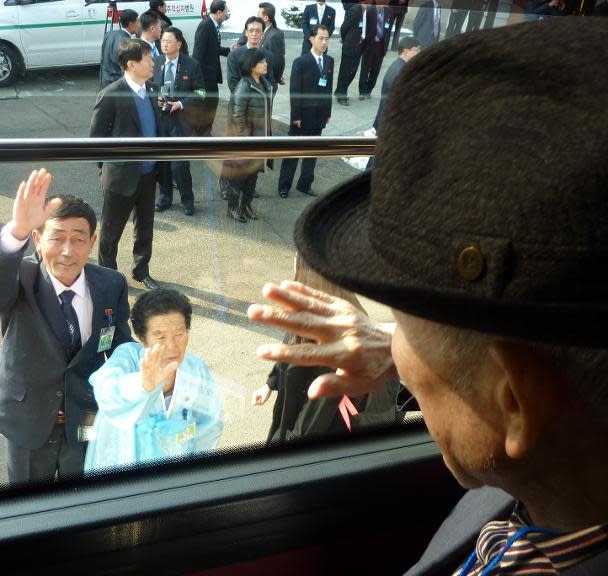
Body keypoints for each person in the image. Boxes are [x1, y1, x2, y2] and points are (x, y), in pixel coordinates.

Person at [249, 18, 608, 575]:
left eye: (404, 320)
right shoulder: (555, 488)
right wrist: (412, 348)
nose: (394, 348)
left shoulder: (503, 497)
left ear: (512, 401)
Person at [0, 168, 132, 484]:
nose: (67, 251)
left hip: (85, 417)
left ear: (93, 242)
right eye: (57, 237)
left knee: (82, 501)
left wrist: (148, 368)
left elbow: (119, 344)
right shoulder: (22, 279)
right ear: (37, 239)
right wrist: (16, 229)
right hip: (28, 422)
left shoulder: (111, 284)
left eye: (78, 239)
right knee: (30, 510)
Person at [251, 255, 404, 443]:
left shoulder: (332, 344)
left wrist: (278, 447)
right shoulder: (318, 315)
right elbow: (289, 347)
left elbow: (310, 426)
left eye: (298, 258)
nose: (294, 259)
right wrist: (270, 384)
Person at [84, 289, 222, 471]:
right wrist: (142, 384)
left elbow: (209, 425)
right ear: (142, 339)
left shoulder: (195, 368)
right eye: (161, 336)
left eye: (179, 333)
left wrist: (194, 467)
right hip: (123, 463)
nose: (172, 346)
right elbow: (105, 387)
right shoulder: (129, 357)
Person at [89, 39, 164, 291]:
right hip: (121, 178)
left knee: (145, 226)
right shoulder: (111, 94)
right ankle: (107, 277)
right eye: (148, 59)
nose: (153, 62)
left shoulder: (153, 89)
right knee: (111, 232)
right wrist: (109, 170)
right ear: (131, 64)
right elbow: (95, 141)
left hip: (149, 174)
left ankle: (141, 270)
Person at [153, 27, 205, 216]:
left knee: (180, 165)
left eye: (168, 41)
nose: (164, 44)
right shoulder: (156, 62)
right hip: (160, 120)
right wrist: (155, 99)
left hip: (181, 120)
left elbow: (201, 92)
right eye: (162, 40)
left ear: (179, 44)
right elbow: (149, 88)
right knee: (163, 164)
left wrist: (181, 103)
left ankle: (187, 200)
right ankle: (165, 197)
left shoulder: (191, 65)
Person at [278, 26, 333, 199]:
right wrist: (296, 116)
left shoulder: (329, 61)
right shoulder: (301, 62)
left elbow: (328, 88)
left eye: (327, 39)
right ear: (311, 39)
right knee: (293, 153)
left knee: (312, 153)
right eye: (321, 38)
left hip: (319, 117)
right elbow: (295, 92)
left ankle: (305, 184)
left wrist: (328, 112)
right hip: (302, 117)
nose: (324, 42)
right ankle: (284, 186)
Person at [222, 48, 273, 223]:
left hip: (261, 138)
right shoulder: (245, 85)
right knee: (239, 177)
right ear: (252, 66)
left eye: (265, 61)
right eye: (262, 62)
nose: (266, 64)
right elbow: (238, 116)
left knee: (253, 176)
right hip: (248, 141)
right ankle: (233, 208)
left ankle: (246, 206)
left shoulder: (264, 83)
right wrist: (245, 139)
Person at [192, 0, 230, 137]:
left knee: (211, 105)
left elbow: (213, 48)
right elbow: (198, 55)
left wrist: (228, 50)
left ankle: (205, 132)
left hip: (211, 77)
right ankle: (202, 135)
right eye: (226, 11)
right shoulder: (205, 26)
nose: (226, 14)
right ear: (219, 12)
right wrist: (198, 82)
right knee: (206, 107)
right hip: (204, 80)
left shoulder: (213, 25)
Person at [371, 36, 420, 132]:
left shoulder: (398, 64)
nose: (419, 53)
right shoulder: (403, 70)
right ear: (406, 51)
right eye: (416, 50)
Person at [227, 17, 276, 94]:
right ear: (246, 33)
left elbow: (271, 81)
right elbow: (232, 83)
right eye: (251, 30)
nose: (254, 34)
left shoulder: (268, 55)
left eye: (258, 31)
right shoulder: (234, 55)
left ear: (263, 34)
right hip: (240, 102)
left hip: (262, 102)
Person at [358, 1, 394, 99]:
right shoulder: (369, 10)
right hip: (369, 45)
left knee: (375, 70)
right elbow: (364, 27)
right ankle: (362, 91)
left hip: (381, 46)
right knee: (365, 69)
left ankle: (369, 90)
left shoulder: (389, 11)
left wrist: (386, 44)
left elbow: (388, 29)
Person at [334, 1, 366, 106]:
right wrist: (345, 39)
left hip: (360, 47)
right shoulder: (355, 9)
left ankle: (340, 91)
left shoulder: (367, 11)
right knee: (345, 71)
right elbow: (344, 27)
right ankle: (341, 94)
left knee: (353, 72)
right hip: (350, 46)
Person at [99, 9, 139, 91]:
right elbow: (125, 68)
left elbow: (102, 60)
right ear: (131, 24)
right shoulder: (126, 41)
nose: (139, 25)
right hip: (117, 86)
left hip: (105, 82)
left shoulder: (109, 34)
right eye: (137, 22)